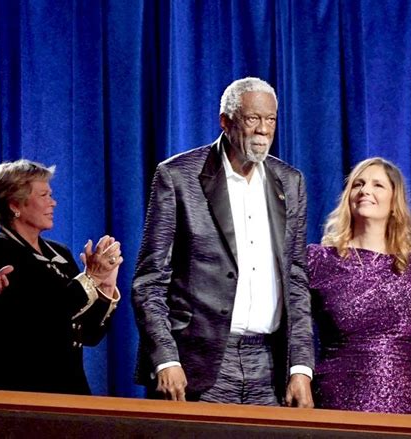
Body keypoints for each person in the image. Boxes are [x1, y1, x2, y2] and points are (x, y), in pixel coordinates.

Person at [132, 77, 314, 406]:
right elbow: (149, 280)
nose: (263, 129)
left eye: (270, 119)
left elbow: (296, 279)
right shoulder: (177, 177)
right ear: (226, 121)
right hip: (196, 363)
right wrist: (166, 359)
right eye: (252, 118)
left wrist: (300, 366)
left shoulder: (290, 181)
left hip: (270, 366)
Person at [307, 157, 411, 416]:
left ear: (394, 203)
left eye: (378, 185)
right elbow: (297, 334)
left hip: (402, 402)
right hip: (333, 400)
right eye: (358, 184)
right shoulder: (318, 259)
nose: (365, 190)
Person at [0, 159, 122, 395]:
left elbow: (89, 335)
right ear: (14, 204)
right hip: (23, 390)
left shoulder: (60, 253)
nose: (53, 202)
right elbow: (46, 315)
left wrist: (106, 287)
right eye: (44, 195)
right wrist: (90, 278)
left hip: (71, 390)